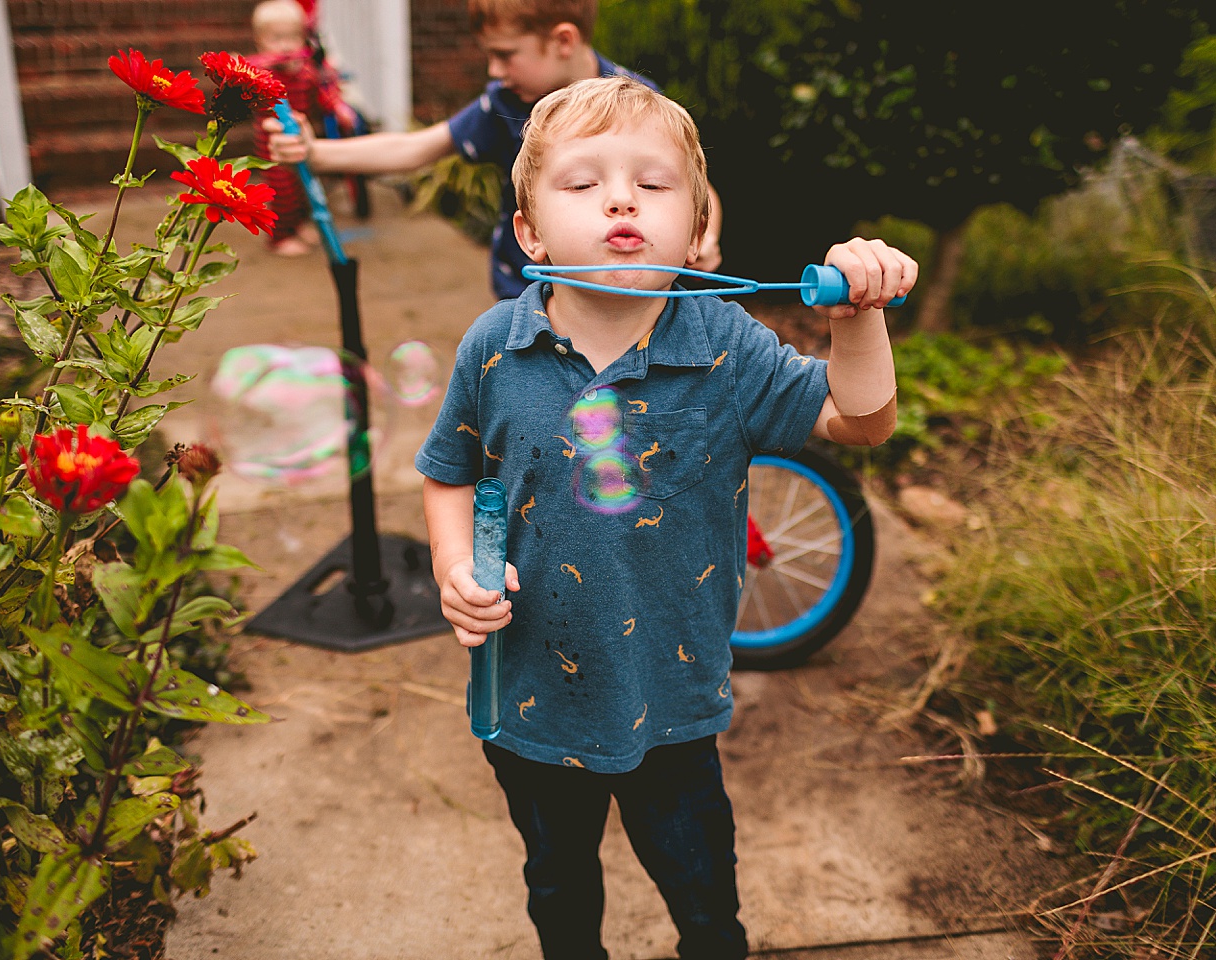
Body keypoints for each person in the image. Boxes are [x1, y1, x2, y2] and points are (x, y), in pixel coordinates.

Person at [414, 76, 915, 960]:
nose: (621, 198)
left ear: (697, 231)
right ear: (528, 232)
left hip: (674, 703)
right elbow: (449, 470)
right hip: (530, 700)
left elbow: (861, 419)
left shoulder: (725, 345)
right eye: (583, 183)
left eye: (654, 184)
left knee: (703, 896)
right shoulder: (496, 345)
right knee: (559, 887)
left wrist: (859, 323)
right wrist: (455, 565)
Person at [264, 0, 723, 298]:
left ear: (562, 41)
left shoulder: (638, 105)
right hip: (525, 292)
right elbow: (416, 148)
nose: (495, 69)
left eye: (505, 54)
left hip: (626, 296)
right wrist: (318, 154)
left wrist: (706, 237)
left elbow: (696, 189)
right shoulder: (503, 103)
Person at [248, 0, 364, 255]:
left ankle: (297, 226)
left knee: (302, 186)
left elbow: (324, 94)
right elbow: (243, 80)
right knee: (282, 192)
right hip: (273, 144)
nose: (286, 46)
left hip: (302, 139)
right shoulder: (261, 73)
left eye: (293, 37)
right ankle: (278, 237)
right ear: (260, 41)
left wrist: (339, 109)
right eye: (276, 39)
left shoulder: (306, 72)